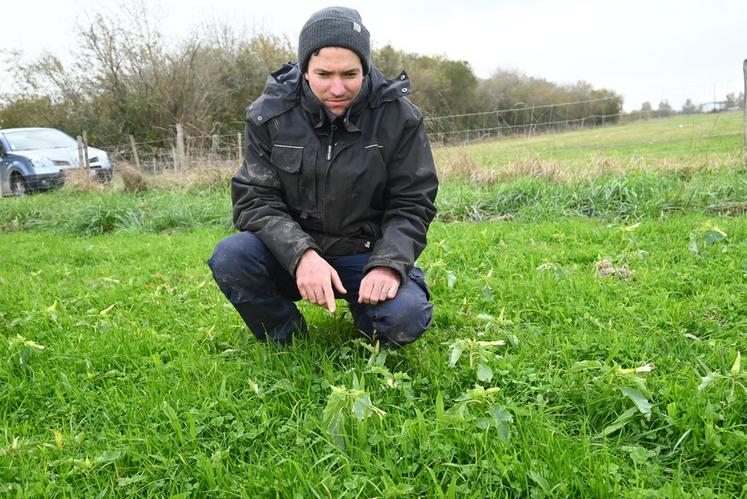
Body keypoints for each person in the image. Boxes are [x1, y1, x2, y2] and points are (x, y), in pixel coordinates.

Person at [208, 6, 438, 347]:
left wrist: (388, 264)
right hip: (292, 252)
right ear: (304, 70)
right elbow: (255, 199)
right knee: (232, 256)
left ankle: (369, 313)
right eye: (323, 74)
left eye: (350, 74)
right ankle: (288, 339)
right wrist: (302, 255)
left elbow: (412, 202)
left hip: (366, 252)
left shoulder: (399, 117)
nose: (337, 88)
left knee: (404, 318)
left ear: (366, 68)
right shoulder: (269, 114)